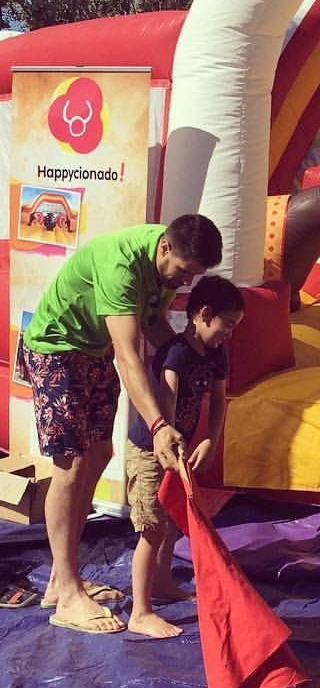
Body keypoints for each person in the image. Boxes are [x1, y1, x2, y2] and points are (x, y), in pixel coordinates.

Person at [21, 214, 222, 634]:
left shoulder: (166, 268)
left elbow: (152, 325)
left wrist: (191, 354)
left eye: (194, 276)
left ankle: (62, 579)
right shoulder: (122, 265)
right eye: (184, 271)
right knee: (71, 466)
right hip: (57, 349)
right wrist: (158, 426)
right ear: (165, 248)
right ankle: (67, 594)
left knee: (99, 454)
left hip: (90, 352)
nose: (184, 282)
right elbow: (128, 356)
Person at [125, 274, 244, 638]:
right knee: (151, 527)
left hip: (182, 449)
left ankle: (161, 583)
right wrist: (175, 449)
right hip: (152, 450)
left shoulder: (217, 353)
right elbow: (168, 401)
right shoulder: (175, 352)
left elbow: (220, 399)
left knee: (172, 517)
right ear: (204, 314)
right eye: (227, 325)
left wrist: (210, 439)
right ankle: (140, 612)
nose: (230, 333)